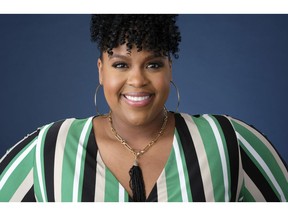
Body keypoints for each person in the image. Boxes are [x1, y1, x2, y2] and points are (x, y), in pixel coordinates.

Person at [0, 14, 287, 202]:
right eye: (121, 64)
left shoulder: (230, 142)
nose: (137, 79)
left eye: (153, 64)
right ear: (101, 71)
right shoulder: (49, 148)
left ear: (169, 68)